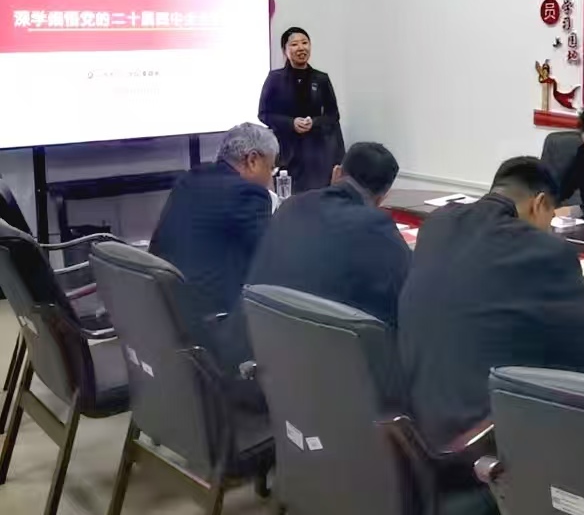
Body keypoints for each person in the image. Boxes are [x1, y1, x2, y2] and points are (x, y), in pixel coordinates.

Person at [400, 156, 584, 448]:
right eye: (550, 217)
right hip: (482, 438)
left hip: (415, 421)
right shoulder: (544, 250)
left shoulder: (437, 224)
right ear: (539, 204)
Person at [149, 123, 276, 376]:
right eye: (271, 167)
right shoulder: (247, 193)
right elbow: (272, 257)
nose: (271, 179)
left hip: (168, 317)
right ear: (252, 160)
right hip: (212, 327)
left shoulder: (190, 179)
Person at [247, 142, 410, 325]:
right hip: (332, 338)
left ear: (336, 173)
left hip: (262, 331)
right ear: (382, 198)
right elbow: (408, 292)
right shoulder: (377, 228)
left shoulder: (291, 206)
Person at [258, 27, 346, 193]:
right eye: (294, 44)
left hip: (316, 153)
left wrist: (314, 122)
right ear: (285, 50)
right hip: (285, 151)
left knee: (315, 195)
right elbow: (264, 114)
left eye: (305, 43)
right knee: (287, 195)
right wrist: (291, 123)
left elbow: (333, 115)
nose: (301, 48)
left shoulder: (321, 78)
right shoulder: (275, 79)